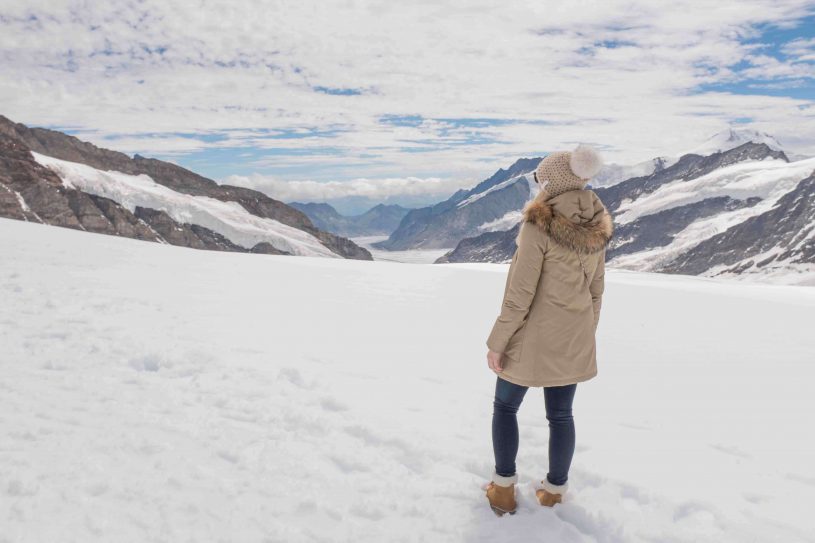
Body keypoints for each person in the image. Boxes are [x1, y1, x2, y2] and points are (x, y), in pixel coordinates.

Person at [483, 144, 613, 516]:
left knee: (504, 406)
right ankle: (554, 492)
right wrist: (586, 332)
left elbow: (519, 294)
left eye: (541, 176)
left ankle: (503, 490)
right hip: (575, 335)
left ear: (552, 182)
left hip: (531, 339)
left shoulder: (538, 223)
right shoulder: (598, 221)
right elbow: (596, 290)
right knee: (561, 415)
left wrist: (498, 342)